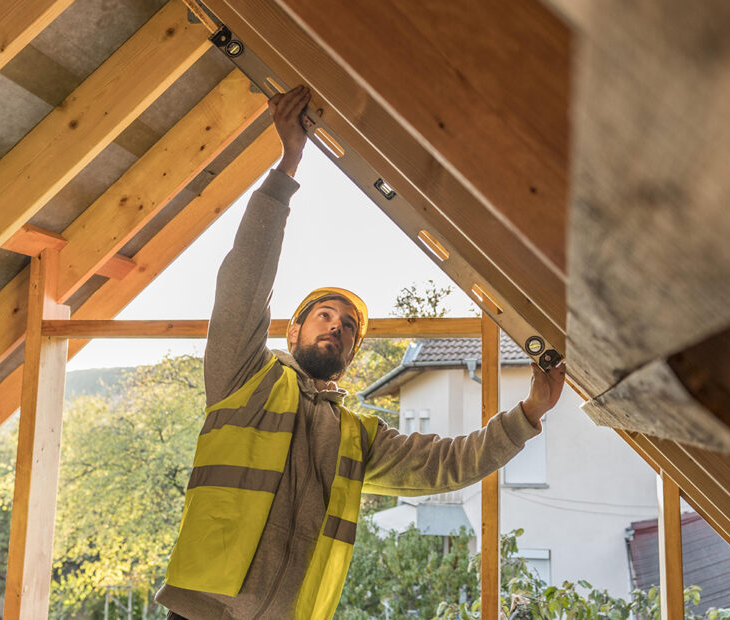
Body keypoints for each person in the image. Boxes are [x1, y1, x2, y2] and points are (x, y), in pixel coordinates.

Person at [155, 85, 566, 619]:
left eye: (348, 327)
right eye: (324, 316)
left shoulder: (355, 437)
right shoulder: (244, 379)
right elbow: (243, 283)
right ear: (293, 329)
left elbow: (447, 464)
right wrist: (287, 168)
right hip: (200, 612)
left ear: (350, 354)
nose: (337, 328)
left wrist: (531, 411)